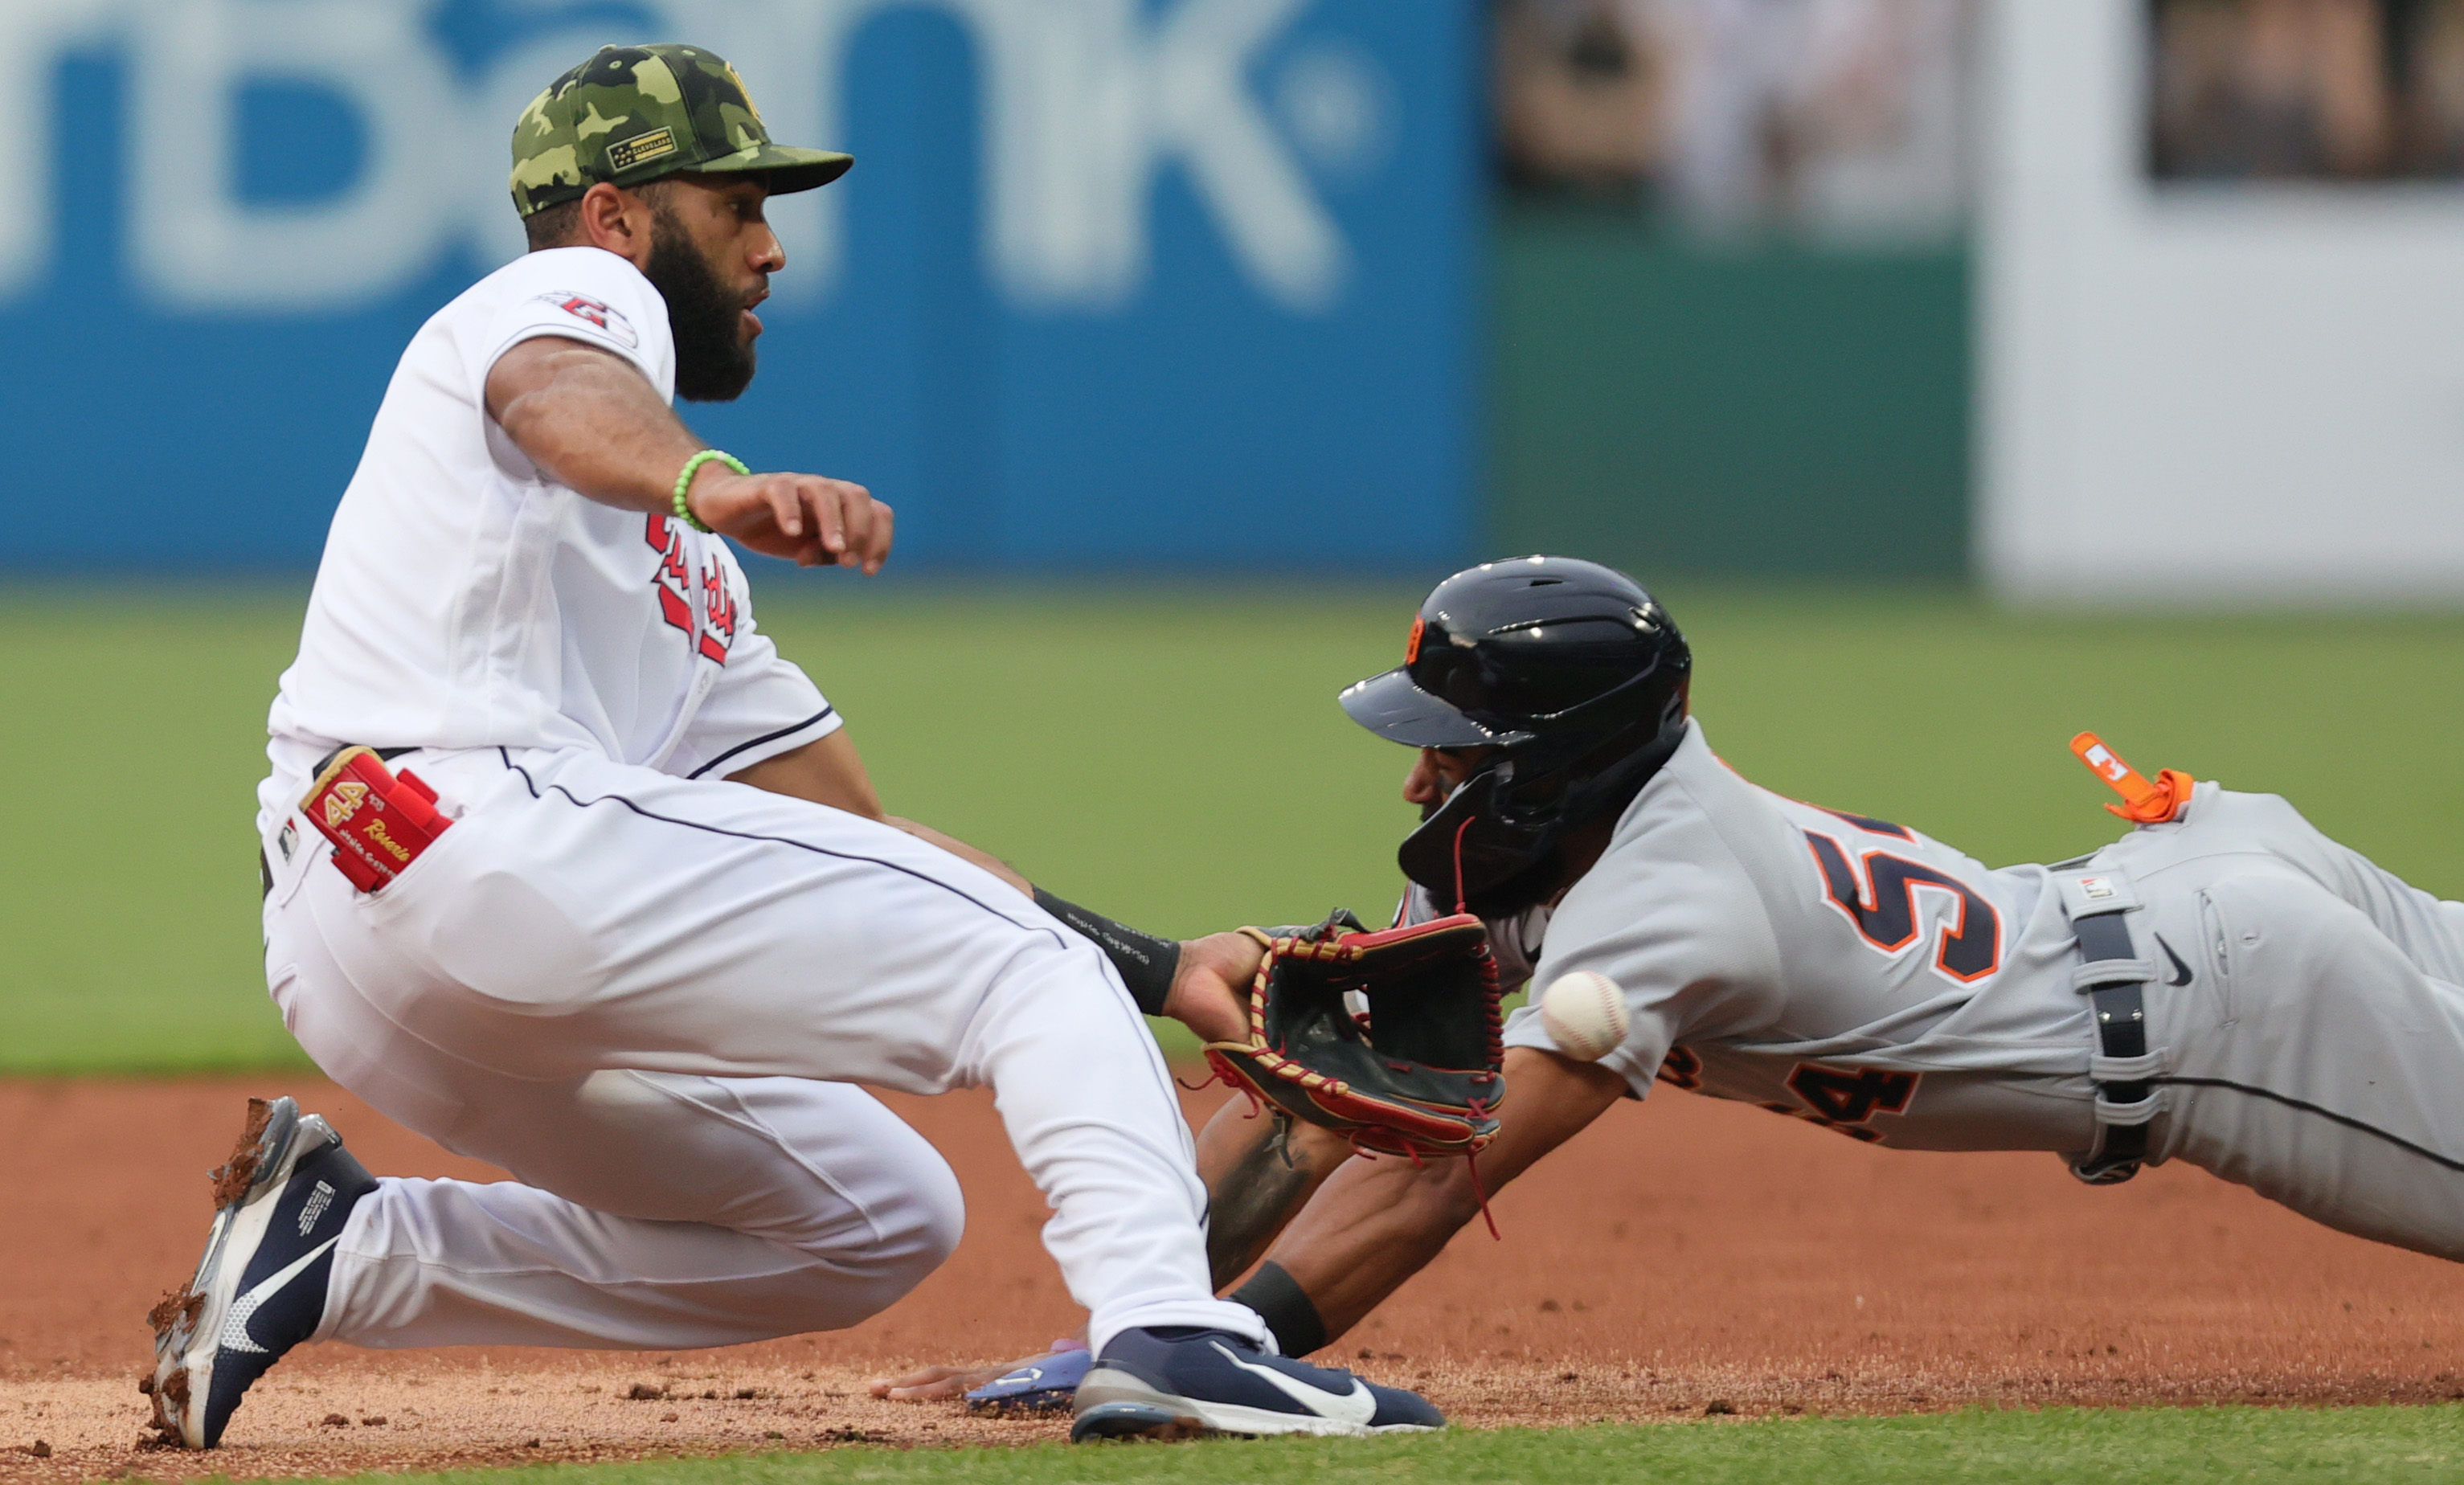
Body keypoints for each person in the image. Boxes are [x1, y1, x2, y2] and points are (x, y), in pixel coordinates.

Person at [145, 42, 1440, 1450]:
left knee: (876, 1216)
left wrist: (1163, 967)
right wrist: (713, 482)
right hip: (470, 836)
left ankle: (353, 1248)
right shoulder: (560, 301)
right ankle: (1177, 1336)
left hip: (372, 942)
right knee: (1027, 974)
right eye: (735, 206)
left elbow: (859, 842)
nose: (768, 250)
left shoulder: (693, 589)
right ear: (619, 216)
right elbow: (552, 393)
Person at [879, 553, 2464, 1400]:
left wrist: (1238, 1352)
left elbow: (1439, 1172)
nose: (1420, 789)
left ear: (1555, 764)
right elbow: (1339, 1083)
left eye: (1451, 756)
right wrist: (1143, 1315)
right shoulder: (1580, 846)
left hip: (2240, 1016)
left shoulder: (1666, 895)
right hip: (2186, 883)